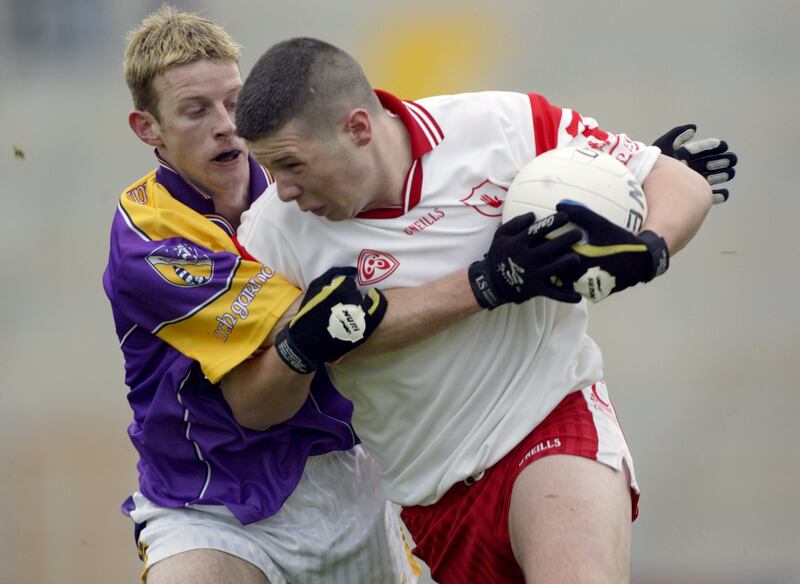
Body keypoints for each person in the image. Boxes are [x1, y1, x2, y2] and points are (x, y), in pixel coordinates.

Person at [104, 7, 600, 583]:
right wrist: (491, 279)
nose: (227, 126)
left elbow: (414, 250)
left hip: (354, 475)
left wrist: (605, 190)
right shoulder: (152, 236)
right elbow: (343, 324)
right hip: (210, 501)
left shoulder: (304, 182)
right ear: (148, 129)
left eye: (234, 102)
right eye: (195, 111)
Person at [233, 37, 735, 584]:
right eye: (270, 170)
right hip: (431, 496)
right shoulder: (268, 234)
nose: (281, 190)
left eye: (290, 164)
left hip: (548, 414)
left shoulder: (500, 124)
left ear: (357, 128)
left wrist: (648, 250)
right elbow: (254, 405)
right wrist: (301, 349)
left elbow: (673, 177)